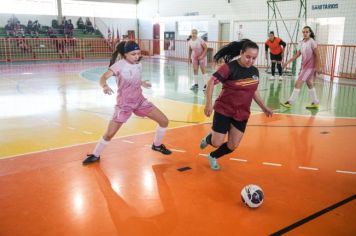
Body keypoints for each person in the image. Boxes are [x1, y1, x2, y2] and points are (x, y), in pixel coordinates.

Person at [83, 41, 172, 165]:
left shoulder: (138, 64)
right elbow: (103, 77)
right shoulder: (119, 65)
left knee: (164, 121)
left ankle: (157, 145)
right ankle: (95, 154)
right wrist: (104, 86)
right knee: (109, 134)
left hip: (140, 101)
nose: (137, 56)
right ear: (125, 55)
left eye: (138, 53)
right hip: (124, 105)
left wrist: (141, 83)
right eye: (133, 54)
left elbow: (133, 77)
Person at [200, 39, 273, 170]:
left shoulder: (255, 72)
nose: (250, 61)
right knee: (217, 142)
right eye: (248, 57)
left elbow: (254, 91)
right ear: (241, 53)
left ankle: (213, 156)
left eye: (254, 58)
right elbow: (211, 82)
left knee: (233, 145)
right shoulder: (229, 68)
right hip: (224, 109)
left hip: (242, 113)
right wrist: (208, 104)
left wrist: (264, 107)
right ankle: (209, 139)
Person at [281, 26, 320, 109]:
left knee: (298, 83)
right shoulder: (301, 42)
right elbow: (297, 55)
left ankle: (290, 102)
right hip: (304, 67)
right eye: (304, 32)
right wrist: (287, 62)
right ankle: (315, 102)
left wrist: (318, 67)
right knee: (309, 83)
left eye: (307, 32)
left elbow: (317, 55)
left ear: (310, 33)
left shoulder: (312, 42)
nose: (305, 33)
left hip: (310, 67)